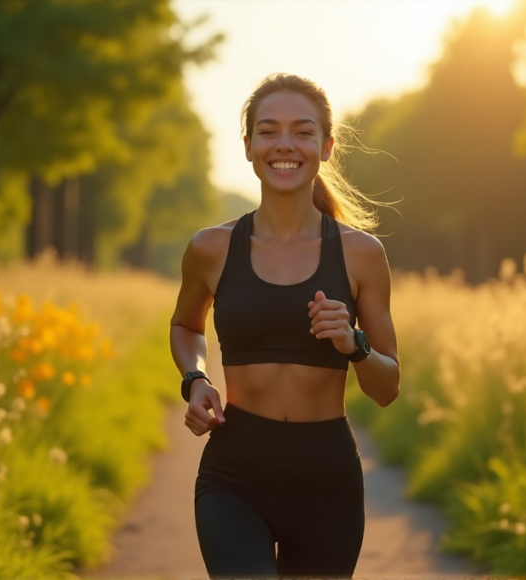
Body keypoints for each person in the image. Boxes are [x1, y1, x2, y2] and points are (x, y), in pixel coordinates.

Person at [169, 73, 401, 578]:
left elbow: (387, 388)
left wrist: (354, 344)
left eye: (302, 131)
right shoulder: (212, 247)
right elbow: (187, 327)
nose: (285, 145)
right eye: (269, 131)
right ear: (249, 146)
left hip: (327, 481)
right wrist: (196, 379)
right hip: (234, 474)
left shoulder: (362, 255)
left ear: (326, 146)